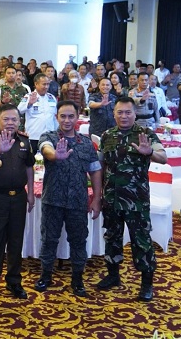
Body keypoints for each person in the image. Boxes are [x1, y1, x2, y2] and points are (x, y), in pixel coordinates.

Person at [97, 97, 167, 301]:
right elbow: (100, 166)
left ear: (135, 114)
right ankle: (113, 275)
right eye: (120, 112)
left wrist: (150, 152)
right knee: (112, 237)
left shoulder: (145, 134)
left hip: (136, 200)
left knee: (141, 241)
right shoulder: (107, 136)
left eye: (128, 112)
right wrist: (99, 194)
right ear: (114, 114)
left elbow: (163, 157)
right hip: (112, 198)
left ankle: (146, 284)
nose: (124, 116)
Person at [34, 100, 102, 297]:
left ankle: (77, 279)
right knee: (49, 240)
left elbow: (95, 171)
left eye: (71, 116)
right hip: (52, 200)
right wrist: (55, 155)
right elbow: (46, 149)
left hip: (78, 202)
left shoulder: (86, 143)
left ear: (77, 117)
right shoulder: (49, 137)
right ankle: (45, 276)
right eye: (62, 116)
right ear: (56, 117)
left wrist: (97, 198)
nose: (66, 120)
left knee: (79, 241)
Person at [0, 103, 35, 299]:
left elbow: (29, 167)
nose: (10, 122)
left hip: (18, 196)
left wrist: (30, 193)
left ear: (19, 121)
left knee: (16, 240)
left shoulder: (25, 141)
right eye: (6, 119)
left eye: (14, 119)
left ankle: (14, 281)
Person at [17, 73, 58, 154]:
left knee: (48, 159)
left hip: (50, 136)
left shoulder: (51, 97)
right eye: (44, 84)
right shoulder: (29, 96)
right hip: (34, 136)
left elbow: (54, 117)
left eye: (48, 84)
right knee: (33, 159)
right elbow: (19, 110)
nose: (46, 87)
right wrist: (29, 103)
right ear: (36, 84)